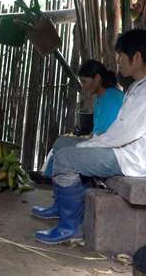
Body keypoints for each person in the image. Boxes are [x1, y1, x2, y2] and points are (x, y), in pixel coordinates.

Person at [33, 29, 146, 244]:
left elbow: (124, 133)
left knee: (65, 158)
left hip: (132, 159)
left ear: (136, 57)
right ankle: (61, 207)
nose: (118, 62)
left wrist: (88, 146)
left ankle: (70, 227)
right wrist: (88, 144)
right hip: (122, 150)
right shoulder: (142, 85)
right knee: (64, 144)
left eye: (121, 57)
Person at [34, 59, 124, 190]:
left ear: (97, 78)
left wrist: (85, 143)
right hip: (100, 143)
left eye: (84, 81)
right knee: (62, 141)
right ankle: (50, 177)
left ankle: (59, 182)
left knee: (64, 150)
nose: (83, 86)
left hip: (109, 150)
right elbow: (98, 132)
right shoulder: (102, 97)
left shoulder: (111, 98)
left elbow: (107, 135)